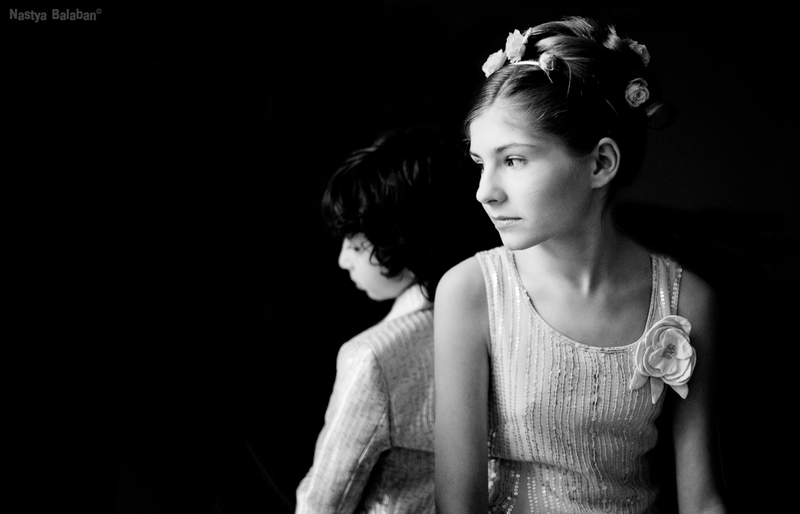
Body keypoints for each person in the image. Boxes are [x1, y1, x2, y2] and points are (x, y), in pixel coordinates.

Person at [434, 16, 727, 514]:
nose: (485, 192)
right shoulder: (471, 292)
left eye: (514, 160)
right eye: (481, 162)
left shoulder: (686, 301)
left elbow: (701, 500)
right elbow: (458, 505)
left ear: (600, 164)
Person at [295, 126, 493, 513]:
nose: (343, 260)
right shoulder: (495, 320)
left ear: (401, 239)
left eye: (356, 245)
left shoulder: (373, 357)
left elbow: (324, 501)